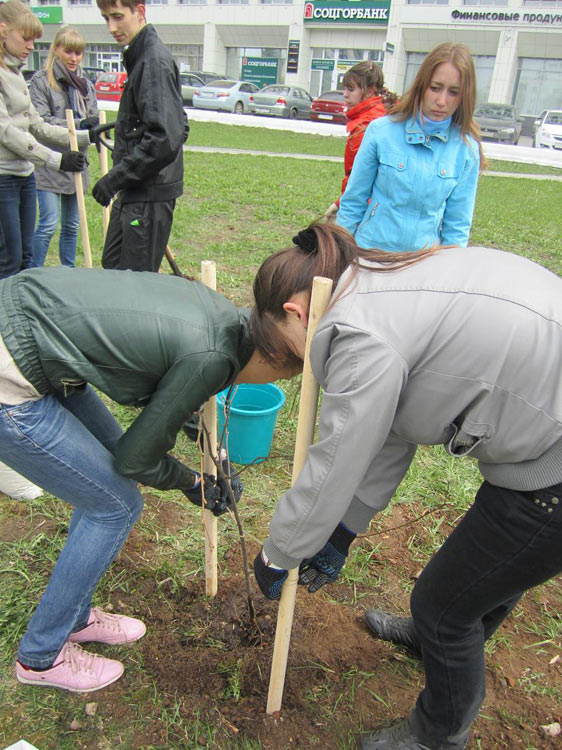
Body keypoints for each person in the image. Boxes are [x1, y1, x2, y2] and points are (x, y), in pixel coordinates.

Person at [251, 222, 562, 750]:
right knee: (484, 576)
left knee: (444, 603)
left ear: (295, 312)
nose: (301, 363)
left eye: (291, 349)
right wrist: (342, 533)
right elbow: (388, 432)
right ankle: (441, 637)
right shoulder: (374, 283)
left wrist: (280, 553)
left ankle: (438, 734)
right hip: (543, 435)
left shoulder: (358, 333)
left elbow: (338, 458)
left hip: (552, 465)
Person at [0, 266, 287, 693]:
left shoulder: (227, 317)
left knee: (102, 484)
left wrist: (217, 461)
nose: (274, 381)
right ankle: (41, 657)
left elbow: (177, 392)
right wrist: (192, 483)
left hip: (34, 331)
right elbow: (136, 458)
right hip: (11, 371)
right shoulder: (215, 354)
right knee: (116, 504)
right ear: (272, 358)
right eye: (283, 376)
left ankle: (75, 618)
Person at [336, 43, 483, 253]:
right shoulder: (381, 131)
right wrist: (338, 255)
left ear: (464, 95)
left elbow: (457, 227)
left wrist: (449, 274)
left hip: (422, 266)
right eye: (435, 88)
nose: (442, 101)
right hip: (370, 256)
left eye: (453, 92)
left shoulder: (466, 149)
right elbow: (353, 202)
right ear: (421, 85)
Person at [0, 0, 94, 280]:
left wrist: (86, 135)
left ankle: (22, 317)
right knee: (9, 258)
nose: (30, 46)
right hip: (3, 179)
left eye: (34, 40)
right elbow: (8, 133)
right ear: (2, 30)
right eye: (25, 38)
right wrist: (56, 160)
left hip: (25, 177)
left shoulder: (15, 73)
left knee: (27, 257)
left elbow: (37, 126)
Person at [93, 0, 187, 272]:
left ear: (140, 12)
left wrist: (115, 178)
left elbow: (166, 136)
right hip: (136, 190)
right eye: (105, 18)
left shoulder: (152, 61)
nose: (111, 27)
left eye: (117, 17)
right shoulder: (139, 57)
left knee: (132, 283)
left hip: (149, 194)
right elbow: (178, 124)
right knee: (113, 267)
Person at [29, 26, 99, 268]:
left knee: (72, 225)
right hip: (49, 163)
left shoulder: (85, 86)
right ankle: (33, 274)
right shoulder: (41, 82)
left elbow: (93, 123)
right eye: (68, 52)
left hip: (76, 164)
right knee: (48, 223)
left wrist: (93, 127)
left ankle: (67, 274)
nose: (74, 58)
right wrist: (81, 125)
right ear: (56, 49)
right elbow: (41, 123)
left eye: (78, 53)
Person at [324, 61, 396, 221]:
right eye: (345, 89)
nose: (345, 94)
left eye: (351, 89)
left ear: (370, 91)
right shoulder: (383, 115)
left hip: (368, 210)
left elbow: (361, 178)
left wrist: (343, 205)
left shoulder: (367, 125)